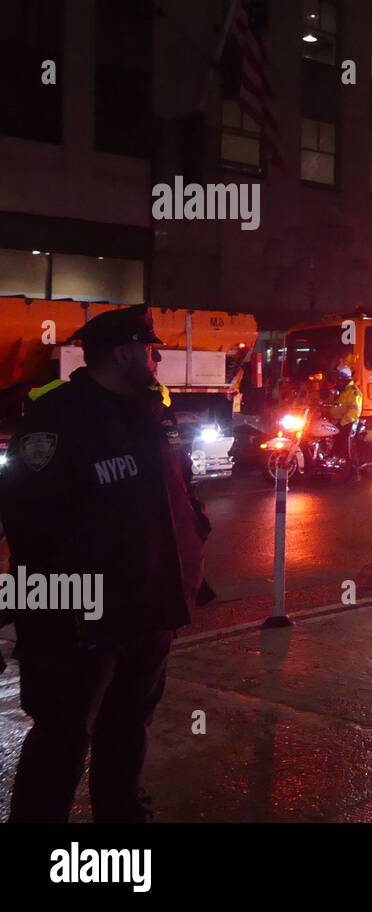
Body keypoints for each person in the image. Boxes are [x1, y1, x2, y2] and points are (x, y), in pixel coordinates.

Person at [0, 305, 209, 822]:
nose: (156, 360)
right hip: (77, 628)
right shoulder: (57, 422)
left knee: (126, 733)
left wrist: (192, 544)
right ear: (123, 354)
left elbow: (173, 496)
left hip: (147, 614)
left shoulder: (145, 415)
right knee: (61, 744)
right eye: (149, 350)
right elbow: (28, 528)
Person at [326, 365, 364, 478]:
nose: (335, 380)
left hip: (349, 423)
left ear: (343, 378)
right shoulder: (339, 391)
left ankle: (354, 472)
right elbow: (330, 404)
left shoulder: (353, 392)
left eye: (336, 377)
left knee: (347, 444)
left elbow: (354, 411)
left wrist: (342, 423)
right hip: (337, 422)